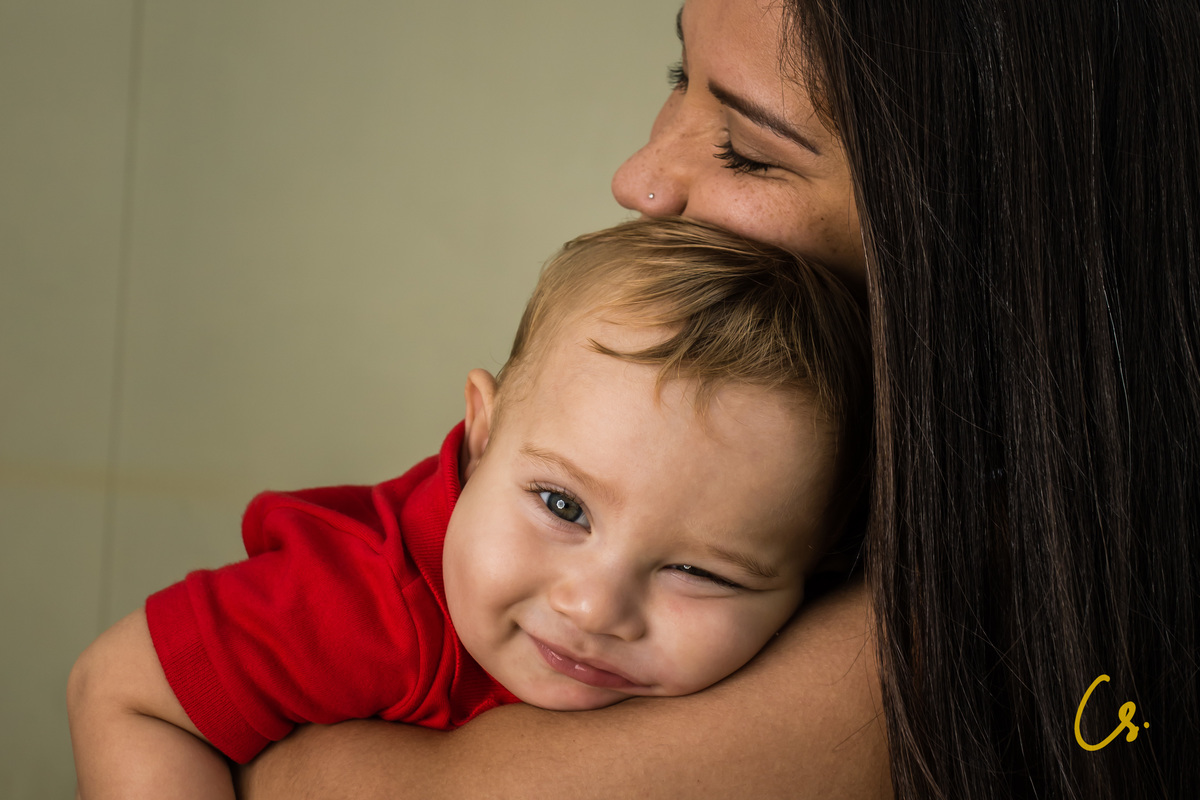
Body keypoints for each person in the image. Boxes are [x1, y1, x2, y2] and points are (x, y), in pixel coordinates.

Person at [234, 0, 1200, 798]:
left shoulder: (958, 629)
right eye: (676, 80)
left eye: (745, 147)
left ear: (986, 243)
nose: (639, 179)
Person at [67, 217, 873, 798]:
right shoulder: (368, 600)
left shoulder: (826, 669)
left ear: (821, 572)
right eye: (562, 505)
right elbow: (120, 689)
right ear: (481, 437)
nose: (593, 607)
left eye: (699, 571)